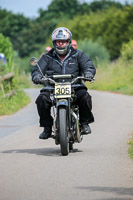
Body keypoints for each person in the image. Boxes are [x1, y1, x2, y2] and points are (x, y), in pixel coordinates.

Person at [31, 27, 96, 140]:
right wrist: (37, 76)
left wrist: (88, 73)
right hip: (52, 87)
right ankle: (47, 127)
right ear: (54, 42)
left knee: (85, 97)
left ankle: (84, 123)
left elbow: (88, 65)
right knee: (42, 99)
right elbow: (38, 69)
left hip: (75, 86)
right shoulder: (47, 57)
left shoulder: (78, 55)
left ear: (69, 42)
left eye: (63, 41)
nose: (60, 44)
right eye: (58, 41)